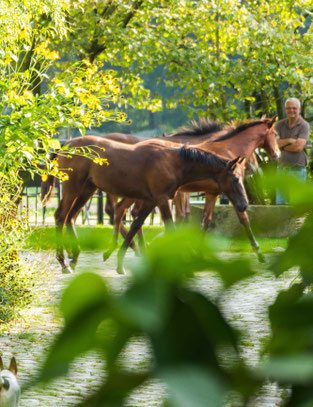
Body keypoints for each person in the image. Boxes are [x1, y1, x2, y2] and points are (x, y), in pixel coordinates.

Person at [275, 97, 310, 204]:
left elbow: (298, 147)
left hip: (297, 170)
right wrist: (290, 140)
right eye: (289, 108)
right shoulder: (279, 124)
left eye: (294, 108)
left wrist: (282, 145)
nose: (291, 111)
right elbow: (274, 144)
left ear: (299, 110)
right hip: (281, 169)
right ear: (285, 110)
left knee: (297, 204)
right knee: (280, 204)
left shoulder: (304, 125)